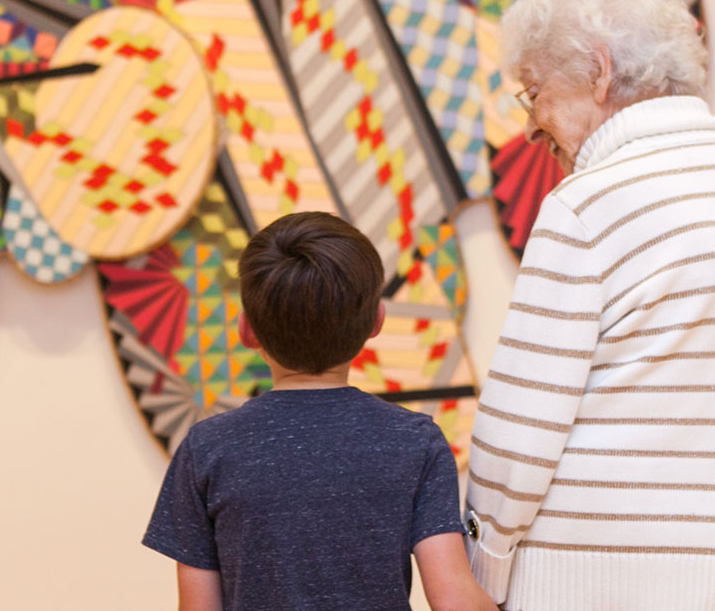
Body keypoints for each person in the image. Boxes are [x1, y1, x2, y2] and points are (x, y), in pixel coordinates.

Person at [462, 0, 715, 609]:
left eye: (534, 95)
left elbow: (523, 420)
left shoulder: (584, 203)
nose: (530, 128)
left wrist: (481, 572)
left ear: (599, 72)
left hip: (578, 581)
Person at [142, 212, 496, 611]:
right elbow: (454, 600)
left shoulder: (205, 449)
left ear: (246, 330)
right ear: (376, 322)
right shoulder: (416, 441)